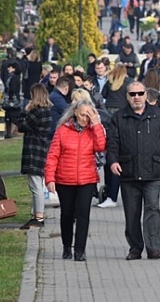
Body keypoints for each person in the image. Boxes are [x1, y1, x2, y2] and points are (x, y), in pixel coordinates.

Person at [107, 81, 160, 261]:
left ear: (146, 95)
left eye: (139, 93)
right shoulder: (119, 117)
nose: (136, 97)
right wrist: (113, 161)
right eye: (132, 94)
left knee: (152, 209)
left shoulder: (159, 115)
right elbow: (113, 143)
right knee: (132, 213)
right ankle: (135, 248)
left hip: (152, 171)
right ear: (127, 97)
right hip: (128, 172)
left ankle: (153, 248)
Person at [45, 100, 106, 261]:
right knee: (67, 214)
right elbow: (53, 155)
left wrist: (97, 124)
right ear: (75, 113)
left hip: (87, 179)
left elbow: (101, 147)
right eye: (83, 114)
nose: (85, 117)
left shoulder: (93, 130)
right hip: (65, 179)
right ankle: (67, 246)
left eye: (89, 114)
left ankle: (80, 250)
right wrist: (49, 178)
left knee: (83, 214)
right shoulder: (63, 130)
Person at [18, 83, 53, 229]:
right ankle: (36, 214)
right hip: (41, 149)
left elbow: (21, 126)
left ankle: (38, 217)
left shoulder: (37, 112)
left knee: (36, 185)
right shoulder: (47, 111)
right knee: (36, 184)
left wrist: (25, 111)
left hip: (34, 151)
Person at [3, 63, 21, 139]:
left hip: (12, 100)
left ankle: (20, 128)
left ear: (14, 68)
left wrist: (7, 91)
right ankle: (8, 132)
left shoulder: (13, 78)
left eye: (9, 68)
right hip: (11, 99)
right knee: (8, 117)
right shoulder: (12, 77)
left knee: (13, 117)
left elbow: (12, 89)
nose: (8, 69)